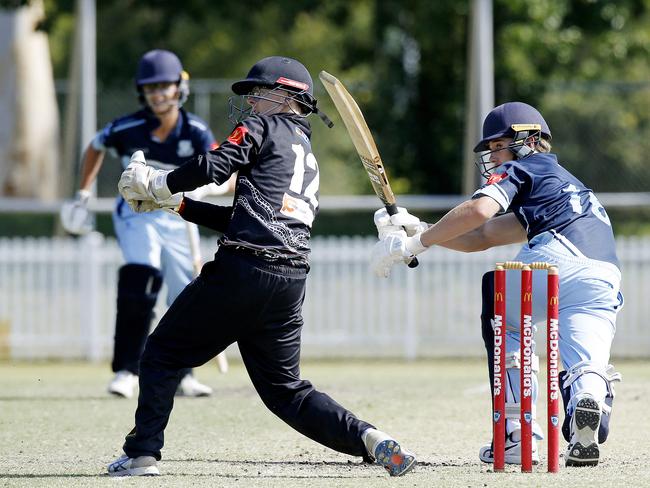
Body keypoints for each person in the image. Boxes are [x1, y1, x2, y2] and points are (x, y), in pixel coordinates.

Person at [106, 56, 416, 477]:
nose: (251, 101)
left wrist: (159, 182)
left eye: (259, 92)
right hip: (289, 282)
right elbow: (247, 216)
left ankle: (142, 455)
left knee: (160, 355)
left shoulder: (263, 127)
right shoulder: (305, 153)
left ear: (288, 96)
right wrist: (177, 204)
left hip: (242, 271)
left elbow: (215, 166)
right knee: (286, 391)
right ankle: (370, 437)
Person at [371, 102, 623, 467]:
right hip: (602, 277)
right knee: (587, 362)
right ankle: (590, 400)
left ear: (527, 140)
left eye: (497, 145)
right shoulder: (565, 185)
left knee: (503, 306)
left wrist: (412, 246)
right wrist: (421, 229)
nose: (492, 156)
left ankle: (516, 436)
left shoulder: (524, 167)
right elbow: (483, 236)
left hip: (556, 259)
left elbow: (478, 213)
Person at [60, 49, 224, 398]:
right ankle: (126, 370)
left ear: (180, 87)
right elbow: (94, 145)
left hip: (180, 215)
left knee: (185, 295)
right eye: (151, 87)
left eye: (165, 85)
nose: (158, 93)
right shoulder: (128, 127)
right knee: (142, 276)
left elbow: (226, 169)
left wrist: (215, 186)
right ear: (142, 91)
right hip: (137, 214)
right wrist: (83, 193)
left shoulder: (195, 130)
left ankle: (183, 375)